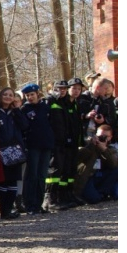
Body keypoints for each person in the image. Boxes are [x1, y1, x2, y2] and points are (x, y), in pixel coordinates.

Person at [0, 87, 29, 219]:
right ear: (0, 95)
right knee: (4, 181)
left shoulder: (14, 112)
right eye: (5, 94)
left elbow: (25, 126)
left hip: (15, 151)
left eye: (11, 95)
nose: (8, 97)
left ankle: (8, 209)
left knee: (13, 181)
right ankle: (3, 210)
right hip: (1, 151)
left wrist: (16, 110)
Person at [19, 83, 54, 215]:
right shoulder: (25, 109)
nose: (30, 97)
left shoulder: (45, 108)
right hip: (33, 146)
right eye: (27, 95)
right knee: (32, 175)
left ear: (37, 94)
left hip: (46, 145)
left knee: (42, 175)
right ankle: (30, 204)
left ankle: (38, 204)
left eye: (32, 95)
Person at [46, 80, 79, 210]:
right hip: (54, 142)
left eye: (64, 89)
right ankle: (49, 199)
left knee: (65, 170)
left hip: (65, 142)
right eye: (59, 88)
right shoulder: (49, 101)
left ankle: (64, 196)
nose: (62, 91)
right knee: (53, 170)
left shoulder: (64, 103)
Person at [74, 124, 118, 203]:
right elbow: (79, 156)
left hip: (101, 177)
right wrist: (91, 145)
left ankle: (102, 193)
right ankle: (95, 195)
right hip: (89, 177)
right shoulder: (88, 144)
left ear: (110, 138)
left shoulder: (111, 149)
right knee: (93, 199)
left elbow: (114, 164)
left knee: (117, 170)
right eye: (100, 136)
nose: (102, 138)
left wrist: (104, 149)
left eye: (106, 137)